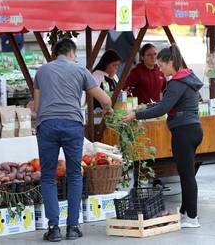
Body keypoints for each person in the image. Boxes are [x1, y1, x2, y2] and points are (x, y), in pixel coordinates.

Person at [34, 38, 112, 242]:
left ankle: (53, 228)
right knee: (75, 175)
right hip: (72, 125)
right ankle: (72, 227)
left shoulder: (42, 72)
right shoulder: (80, 70)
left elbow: (36, 105)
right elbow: (104, 98)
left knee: (48, 177)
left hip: (47, 125)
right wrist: (108, 108)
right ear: (71, 53)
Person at [123, 44, 204, 228]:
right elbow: (164, 103)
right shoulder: (187, 78)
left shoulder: (177, 82)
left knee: (187, 176)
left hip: (184, 131)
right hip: (192, 129)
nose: (159, 68)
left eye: (161, 65)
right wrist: (144, 108)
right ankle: (185, 212)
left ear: (171, 62)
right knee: (186, 174)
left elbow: (163, 108)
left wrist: (136, 115)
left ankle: (192, 217)